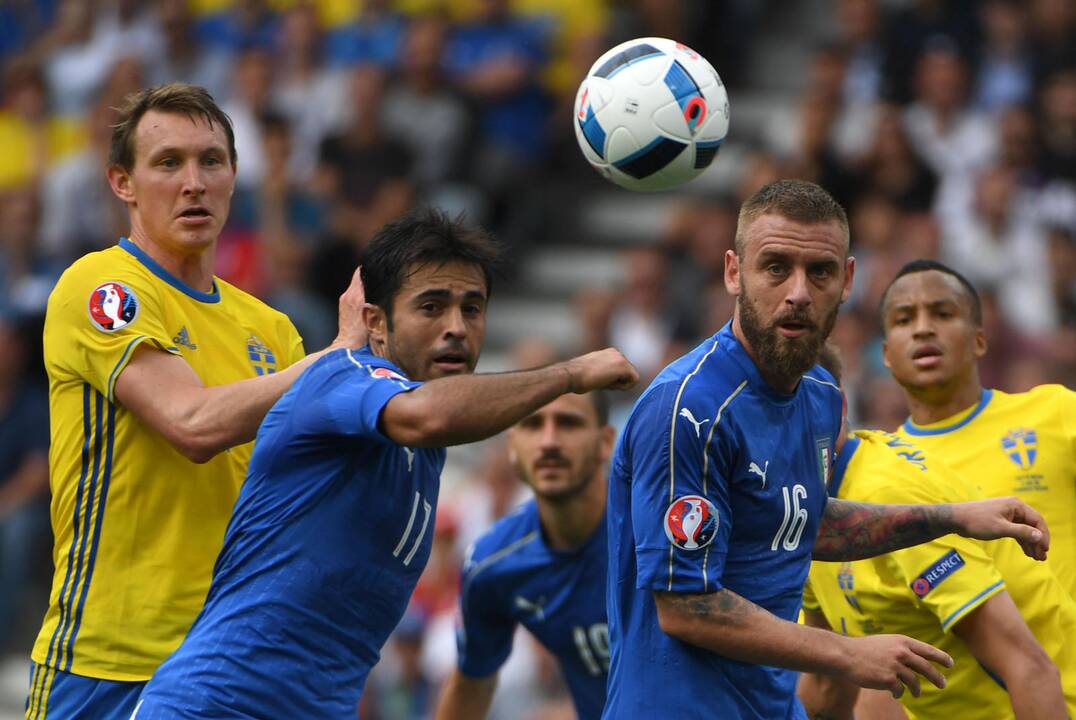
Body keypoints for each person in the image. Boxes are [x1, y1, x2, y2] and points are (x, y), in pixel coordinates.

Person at [132, 209, 639, 719]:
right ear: (376, 322)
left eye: (472, 308)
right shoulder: (344, 377)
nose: (456, 328)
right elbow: (425, 415)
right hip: (215, 706)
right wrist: (571, 373)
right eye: (432, 307)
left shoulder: (427, 448)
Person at [603, 179, 1052, 720]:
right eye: (775, 267)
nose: (798, 292)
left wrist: (954, 517)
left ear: (847, 280)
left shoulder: (818, 397)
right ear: (732, 272)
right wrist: (850, 654)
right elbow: (686, 606)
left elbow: (803, 525)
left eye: (819, 272)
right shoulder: (688, 410)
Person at [26, 83, 365, 720]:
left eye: (211, 161)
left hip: (226, 667)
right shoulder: (100, 286)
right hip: (105, 662)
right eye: (168, 162)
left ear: (234, 177)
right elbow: (191, 423)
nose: (194, 182)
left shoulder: (272, 330)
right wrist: (340, 358)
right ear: (122, 183)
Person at [797, 349, 1075, 720]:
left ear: (840, 407)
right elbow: (826, 687)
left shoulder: (886, 492)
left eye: (793, 405)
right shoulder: (805, 508)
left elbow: (1030, 667)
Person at [881, 259, 1075, 599]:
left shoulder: (1056, 412)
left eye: (942, 314)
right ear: (886, 354)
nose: (923, 328)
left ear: (979, 340)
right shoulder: (882, 469)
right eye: (904, 319)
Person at [436, 391, 614, 720]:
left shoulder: (652, 529)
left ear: (605, 442)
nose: (549, 441)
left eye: (568, 423)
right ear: (512, 447)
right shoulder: (493, 565)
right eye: (532, 425)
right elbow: (471, 686)